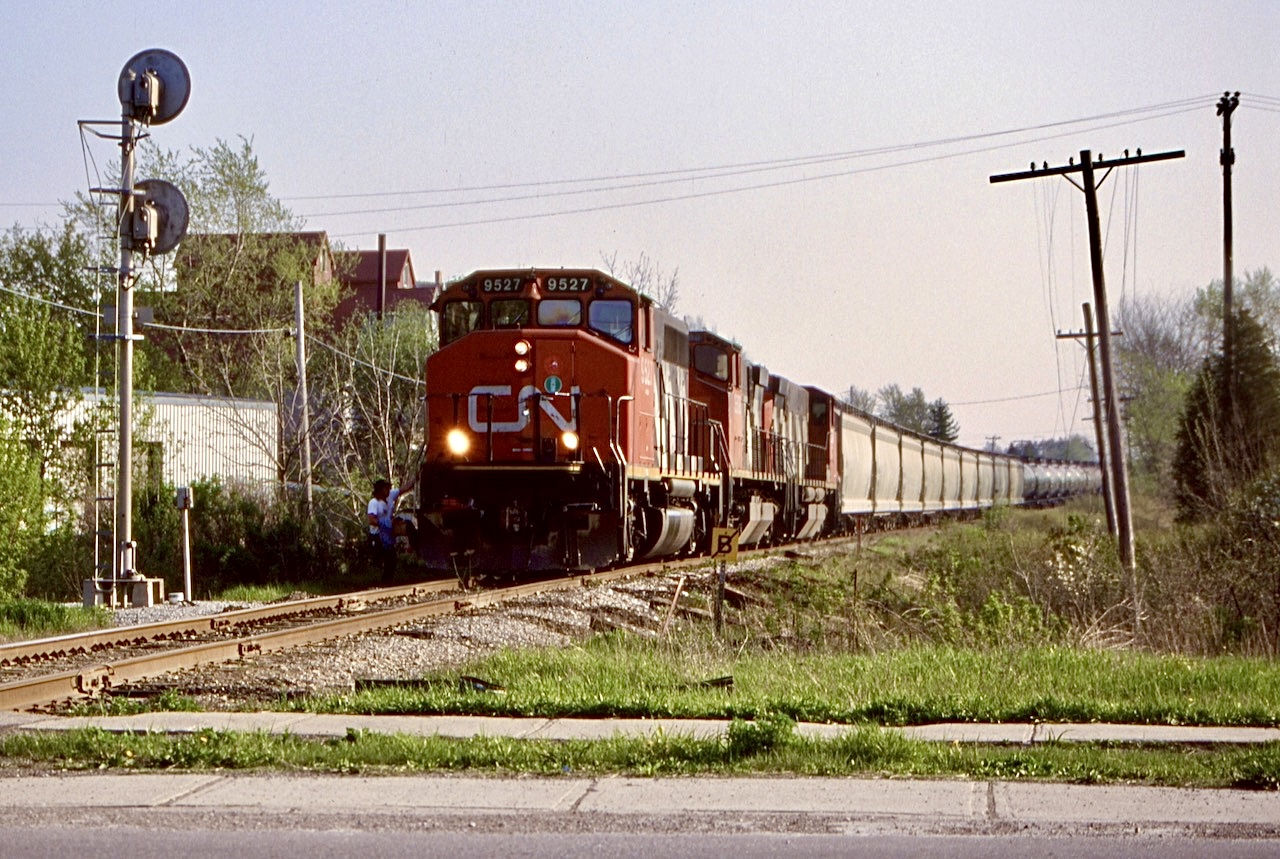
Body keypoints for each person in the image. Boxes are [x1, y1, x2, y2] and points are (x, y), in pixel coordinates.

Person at [367, 474, 415, 583]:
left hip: (388, 533)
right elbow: (371, 520)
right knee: (386, 558)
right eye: (386, 489)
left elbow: (404, 489)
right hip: (378, 534)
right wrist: (387, 522)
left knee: (392, 559)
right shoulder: (374, 503)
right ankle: (383, 581)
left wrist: (415, 477)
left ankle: (387, 580)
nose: (388, 491)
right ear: (380, 490)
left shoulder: (390, 496)